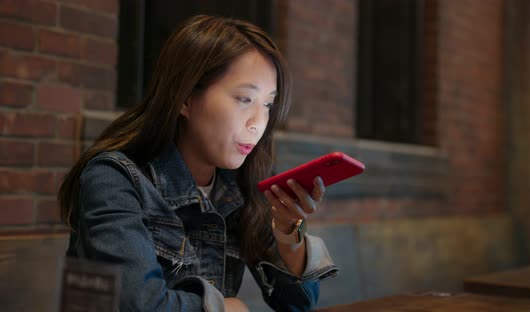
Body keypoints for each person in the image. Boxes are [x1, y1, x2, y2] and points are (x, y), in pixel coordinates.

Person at [58, 14, 338, 311]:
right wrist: (228, 309)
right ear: (186, 99)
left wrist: (288, 233)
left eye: (268, 104)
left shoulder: (240, 183)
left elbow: (299, 304)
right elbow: (141, 304)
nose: (259, 123)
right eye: (244, 99)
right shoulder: (113, 179)